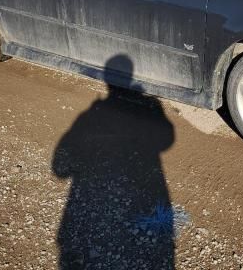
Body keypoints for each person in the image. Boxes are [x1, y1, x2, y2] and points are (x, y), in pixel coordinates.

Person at [52, 55, 175, 269]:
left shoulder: (89, 115)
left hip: (96, 207)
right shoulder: (151, 105)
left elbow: (59, 170)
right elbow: (167, 139)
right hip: (143, 193)